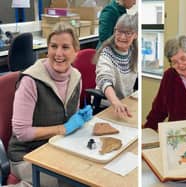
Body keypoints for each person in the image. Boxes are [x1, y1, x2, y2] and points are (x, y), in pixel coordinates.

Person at [7, 22, 92, 187]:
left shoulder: (76, 77)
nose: (58, 53)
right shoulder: (31, 81)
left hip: (56, 148)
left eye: (65, 47)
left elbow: (69, 118)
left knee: (89, 171)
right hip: (26, 155)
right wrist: (64, 128)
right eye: (54, 46)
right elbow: (22, 132)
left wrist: (79, 118)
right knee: (70, 181)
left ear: (75, 51)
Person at [95, 13, 138, 119]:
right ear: (114, 31)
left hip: (126, 101)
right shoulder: (106, 53)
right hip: (107, 104)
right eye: (119, 32)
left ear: (135, 35)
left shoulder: (134, 51)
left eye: (128, 33)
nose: (122, 37)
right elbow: (104, 79)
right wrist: (116, 102)